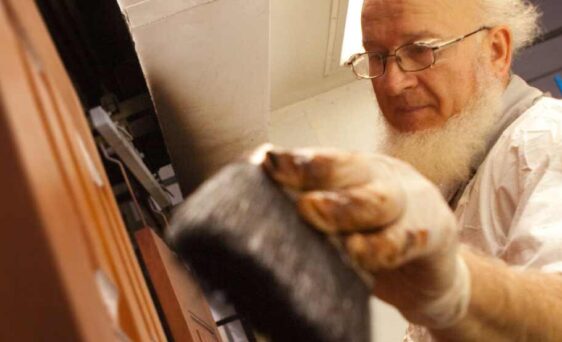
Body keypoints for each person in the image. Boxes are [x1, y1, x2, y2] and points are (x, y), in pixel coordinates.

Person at [260, 0, 562, 340]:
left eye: (421, 50)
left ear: (495, 52)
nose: (392, 85)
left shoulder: (548, 138)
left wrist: (454, 284)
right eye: (376, 57)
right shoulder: (456, 172)